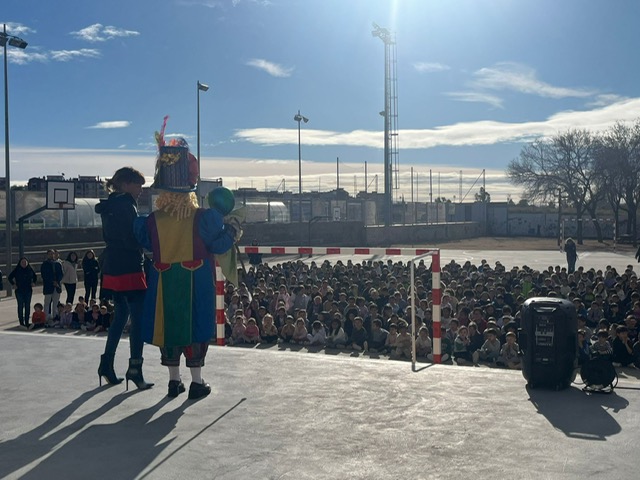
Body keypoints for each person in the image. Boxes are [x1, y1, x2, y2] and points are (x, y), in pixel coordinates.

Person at [135, 131, 239, 400]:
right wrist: (233, 231)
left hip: (163, 282)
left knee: (169, 328)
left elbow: (146, 243)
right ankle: (197, 382)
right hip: (196, 281)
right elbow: (218, 246)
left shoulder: (152, 220)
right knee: (196, 327)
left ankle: (174, 381)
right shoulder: (203, 217)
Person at [95, 166, 153, 390]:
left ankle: (106, 364)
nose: (141, 189)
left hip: (112, 265)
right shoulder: (127, 204)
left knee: (120, 315)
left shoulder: (110, 204)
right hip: (129, 265)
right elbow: (131, 237)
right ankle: (135, 369)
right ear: (126, 184)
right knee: (138, 319)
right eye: (138, 184)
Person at [8, 257, 37, 329]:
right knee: (20, 306)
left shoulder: (30, 269)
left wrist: (33, 282)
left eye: (25, 262)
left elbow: (35, 276)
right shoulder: (17, 270)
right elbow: (9, 277)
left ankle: (27, 322)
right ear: (20, 263)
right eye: (22, 262)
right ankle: (21, 322)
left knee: (27, 306)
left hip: (28, 290)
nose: (24, 264)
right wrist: (13, 284)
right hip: (19, 290)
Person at [40, 249, 63, 319]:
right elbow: (44, 275)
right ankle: (46, 317)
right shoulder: (44, 264)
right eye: (50, 254)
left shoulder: (58, 263)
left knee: (56, 302)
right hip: (48, 286)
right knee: (47, 302)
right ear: (47, 255)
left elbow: (61, 274)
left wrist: (57, 281)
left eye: (53, 254)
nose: (52, 255)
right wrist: (52, 281)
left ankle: (55, 316)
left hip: (57, 286)